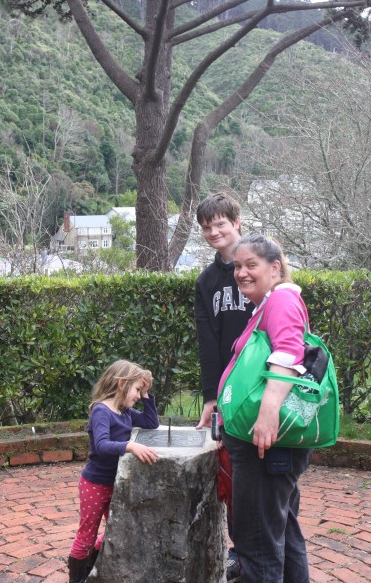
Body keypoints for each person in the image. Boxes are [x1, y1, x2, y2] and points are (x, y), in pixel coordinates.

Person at [219, 232, 313, 583]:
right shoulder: (268, 304)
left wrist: (268, 413)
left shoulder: (281, 302)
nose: (241, 272)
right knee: (282, 534)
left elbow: (289, 355)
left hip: (265, 444)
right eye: (237, 266)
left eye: (251, 265)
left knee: (257, 544)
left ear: (275, 268)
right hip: (266, 445)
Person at [194, 192, 253, 581]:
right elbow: (208, 341)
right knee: (232, 470)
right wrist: (212, 396)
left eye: (221, 223)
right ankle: (240, 550)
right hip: (228, 391)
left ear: (236, 222)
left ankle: (260, 548)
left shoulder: (258, 265)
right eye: (207, 227)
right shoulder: (207, 281)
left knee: (264, 472)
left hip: (263, 384)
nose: (215, 231)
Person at [68, 359, 159, 583]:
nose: (138, 395)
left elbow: (151, 422)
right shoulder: (102, 411)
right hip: (95, 483)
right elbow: (101, 445)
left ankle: (92, 568)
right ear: (121, 384)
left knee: (115, 529)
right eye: (137, 389)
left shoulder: (125, 411)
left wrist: (147, 395)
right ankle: (77, 577)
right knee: (86, 536)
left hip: (115, 483)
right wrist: (129, 445)